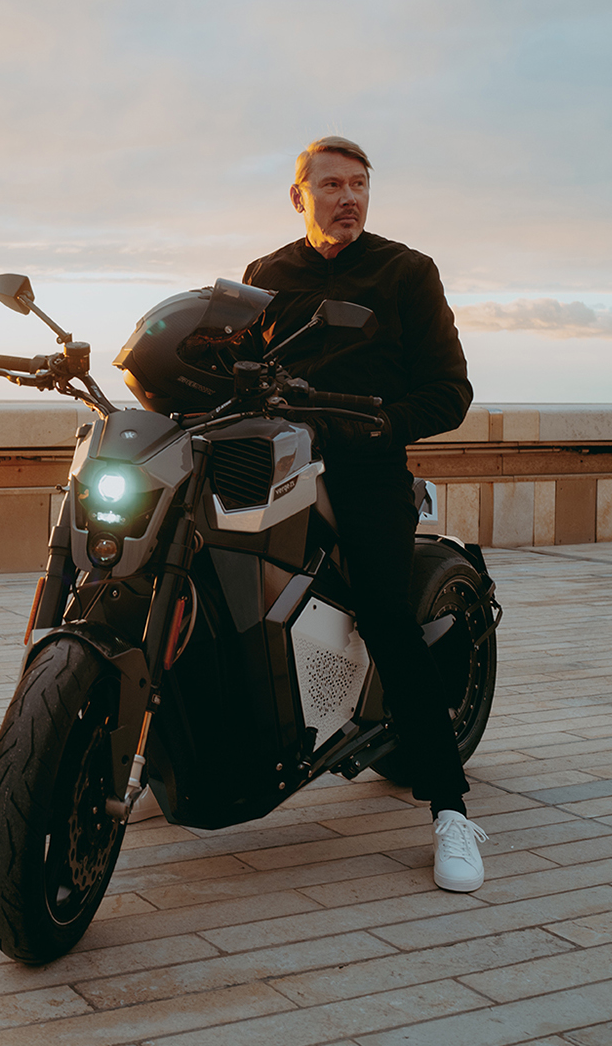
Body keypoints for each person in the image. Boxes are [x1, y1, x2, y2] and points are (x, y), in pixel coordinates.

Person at [241, 135, 489, 892]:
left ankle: (450, 810)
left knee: (384, 612)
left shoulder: (405, 270)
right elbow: (231, 368)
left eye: (359, 185)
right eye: (332, 185)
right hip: (273, 466)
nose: (348, 198)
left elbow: (450, 391)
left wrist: (378, 423)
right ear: (299, 197)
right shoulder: (264, 276)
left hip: (366, 468)